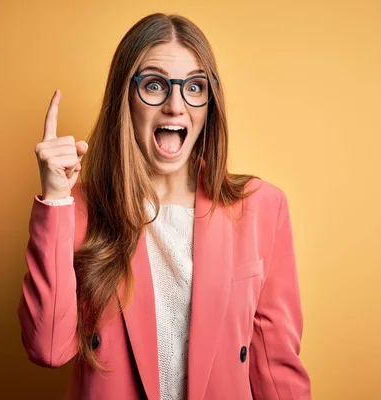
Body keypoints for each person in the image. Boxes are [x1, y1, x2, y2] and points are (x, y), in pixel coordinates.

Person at [17, 12, 311, 400]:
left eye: (193, 87)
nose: (175, 105)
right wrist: (55, 198)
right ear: (126, 98)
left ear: (209, 104)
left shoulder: (262, 208)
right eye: (154, 85)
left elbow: (276, 367)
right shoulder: (80, 209)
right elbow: (49, 348)